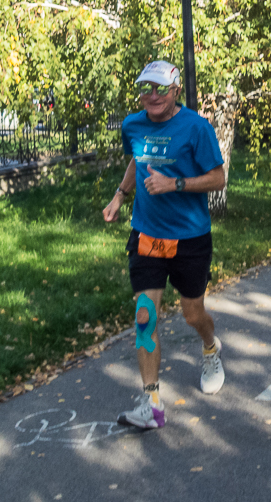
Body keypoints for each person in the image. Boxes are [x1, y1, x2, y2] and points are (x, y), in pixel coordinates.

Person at [101, 60, 228, 430]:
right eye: (145, 89)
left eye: (160, 89)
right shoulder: (133, 125)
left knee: (193, 315)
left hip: (189, 237)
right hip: (147, 235)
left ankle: (210, 348)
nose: (152, 96)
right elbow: (136, 163)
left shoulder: (196, 127)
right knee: (145, 316)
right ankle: (152, 403)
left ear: (175, 91)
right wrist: (119, 197)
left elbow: (218, 178)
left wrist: (176, 185)